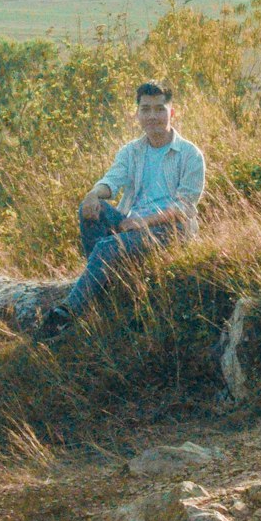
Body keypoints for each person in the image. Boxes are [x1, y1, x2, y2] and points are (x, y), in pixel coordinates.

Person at [39, 81, 205, 336]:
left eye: (160, 109)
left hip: (171, 230)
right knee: (90, 209)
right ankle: (106, 293)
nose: (152, 116)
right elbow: (112, 182)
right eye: (146, 109)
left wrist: (144, 222)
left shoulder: (189, 154)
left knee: (107, 247)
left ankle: (67, 313)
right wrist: (94, 194)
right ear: (137, 114)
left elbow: (185, 207)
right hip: (132, 226)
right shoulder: (132, 151)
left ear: (172, 112)